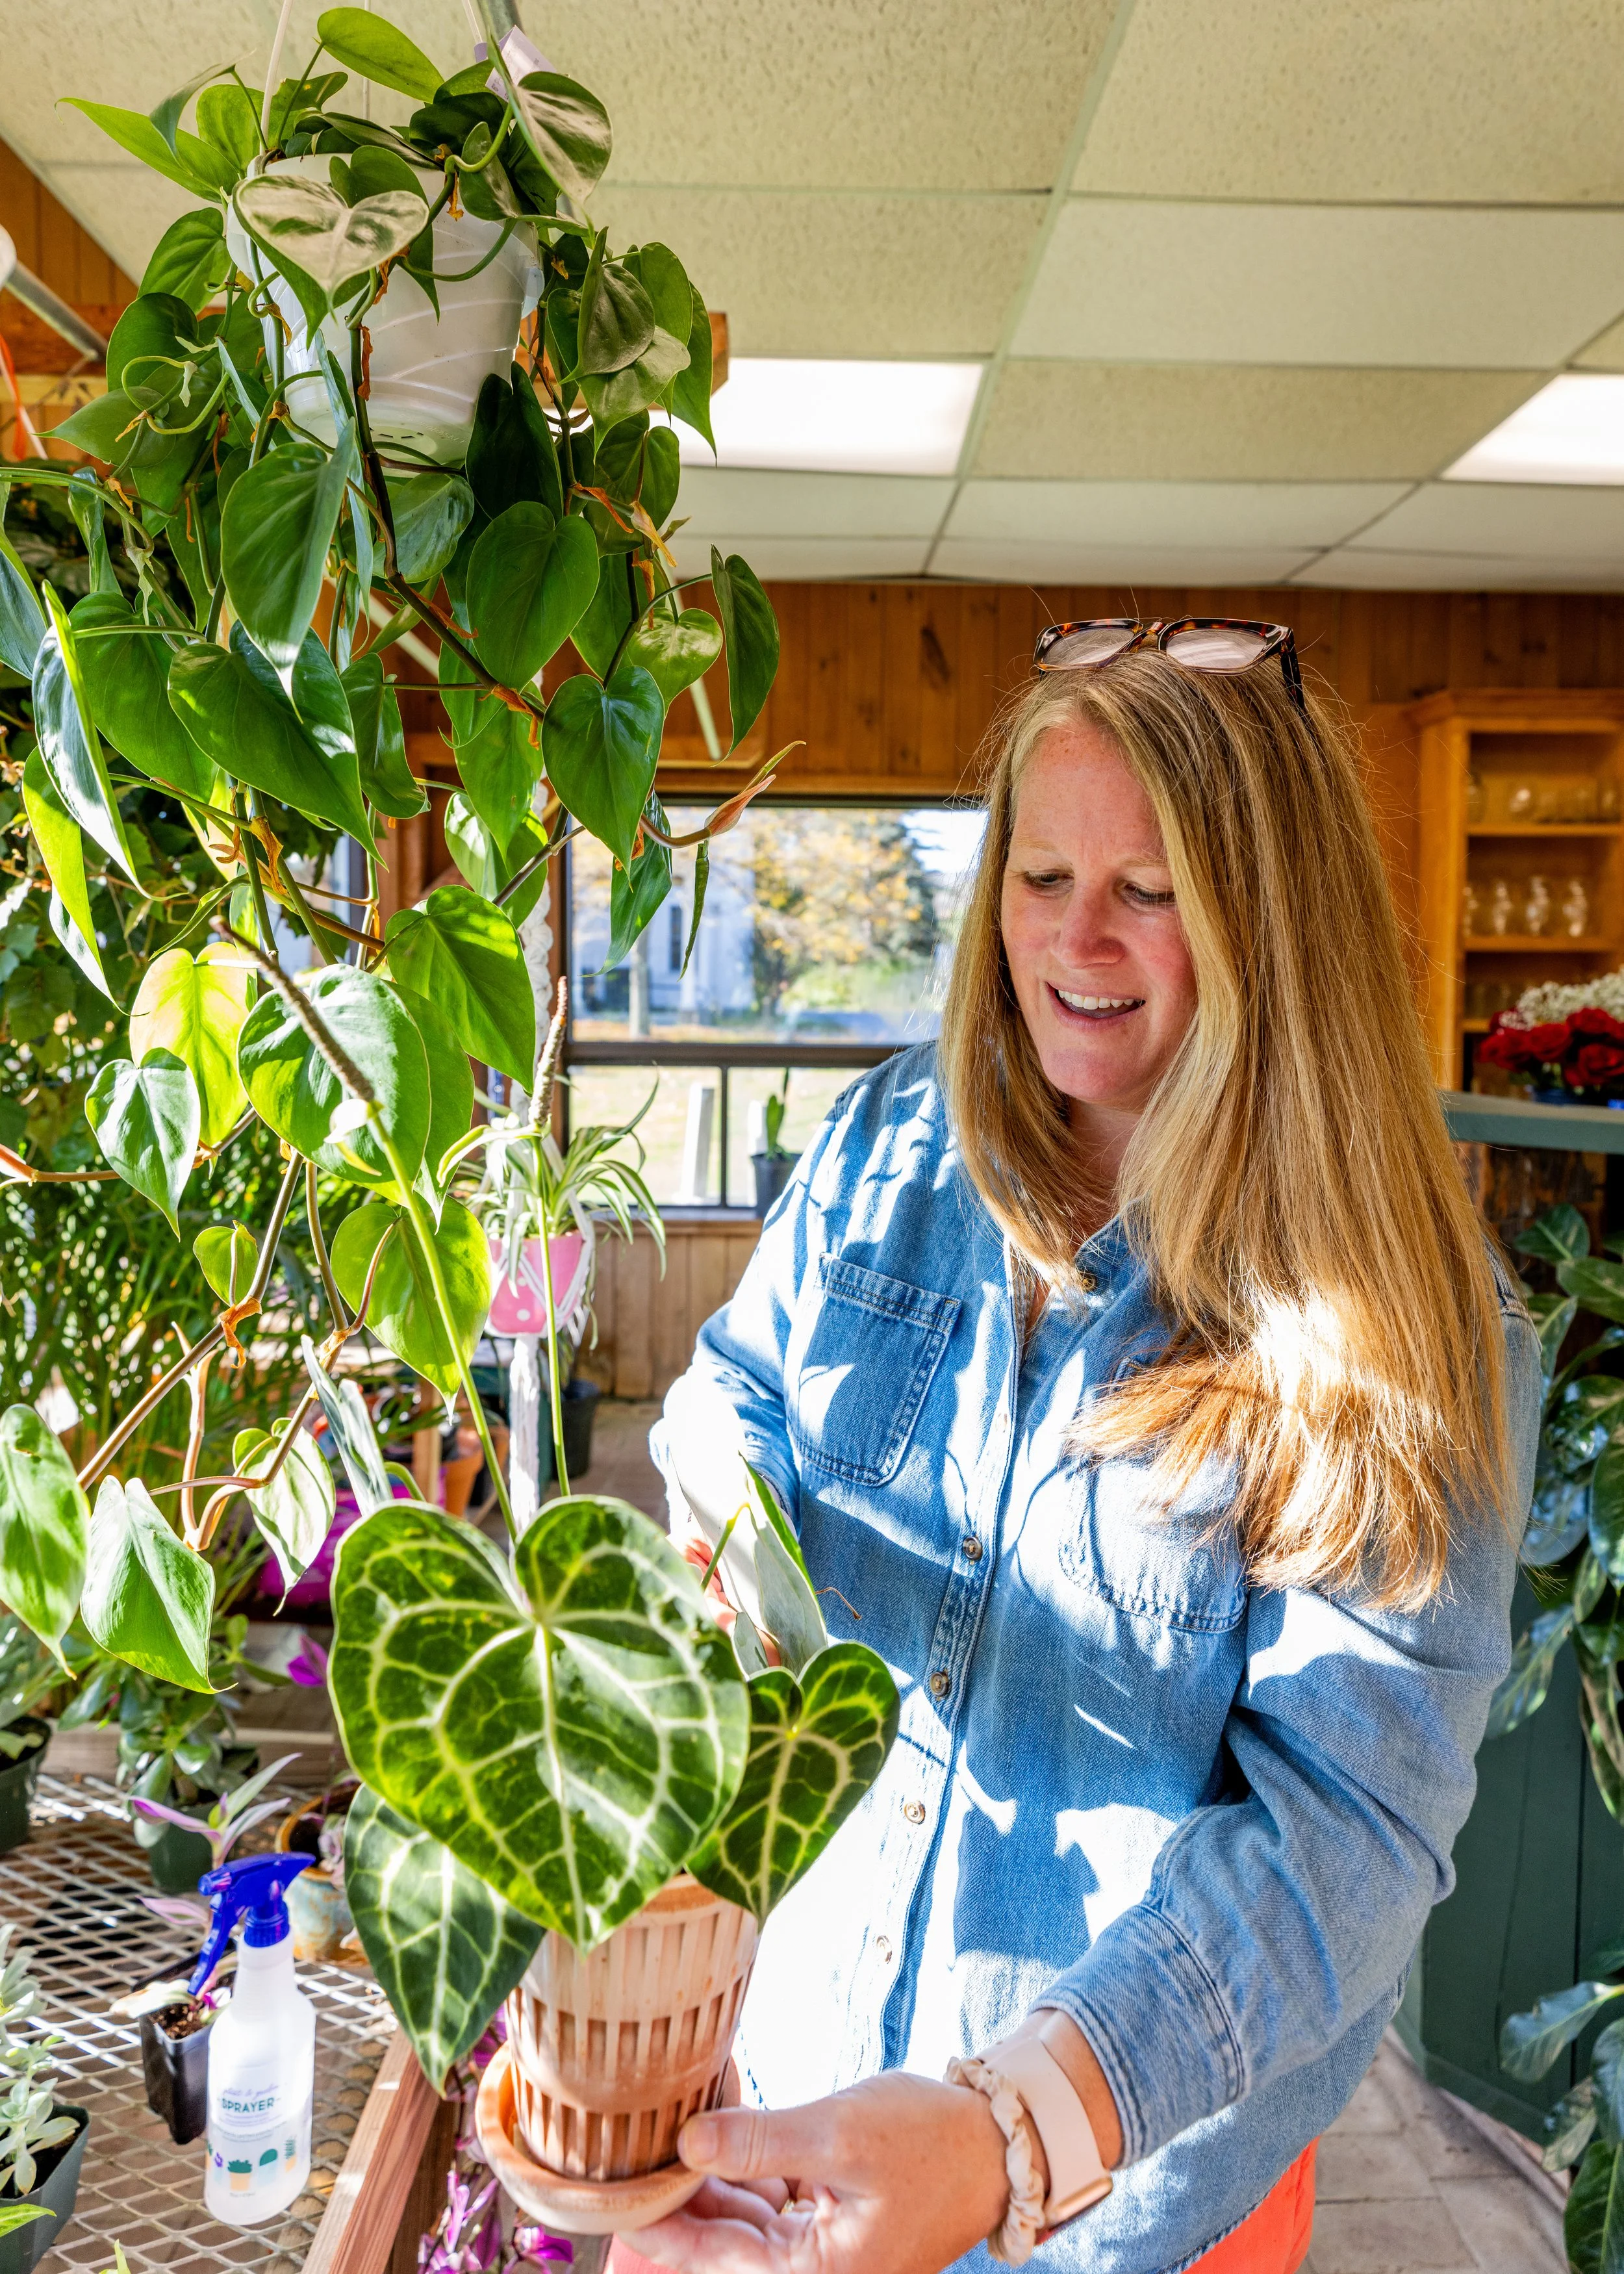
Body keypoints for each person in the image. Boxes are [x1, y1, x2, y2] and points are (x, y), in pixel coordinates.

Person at [633, 621, 1541, 2274]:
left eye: (1150, 888)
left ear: (1272, 920)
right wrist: (720, 1586)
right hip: (791, 2077)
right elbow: (728, 1399)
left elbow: (1340, 1837)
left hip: (1119, 2198)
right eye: (1040, 874)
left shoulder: (1404, 1313)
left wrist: (1007, 2131)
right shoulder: (888, 1145)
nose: (1074, 940)